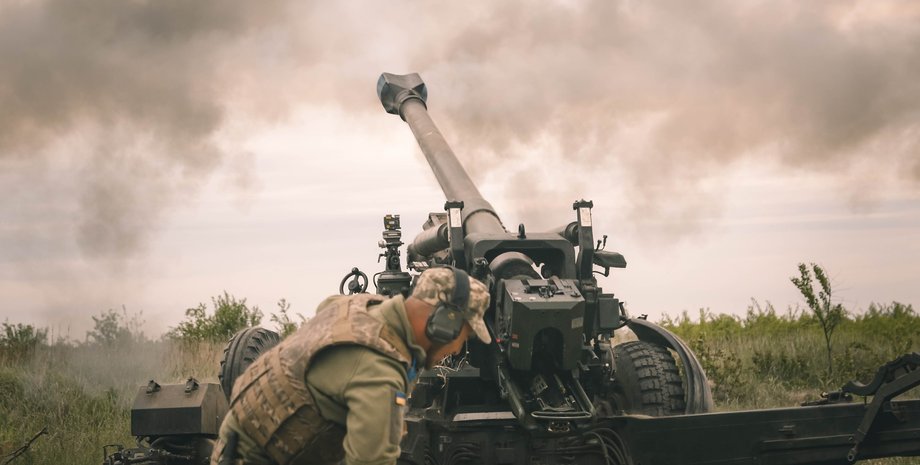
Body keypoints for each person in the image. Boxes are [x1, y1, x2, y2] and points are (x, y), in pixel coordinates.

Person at [211, 266, 491, 465]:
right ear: (444, 323)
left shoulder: (360, 307)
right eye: (464, 337)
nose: (458, 349)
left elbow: (327, 307)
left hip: (250, 444)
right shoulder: (379, 371)